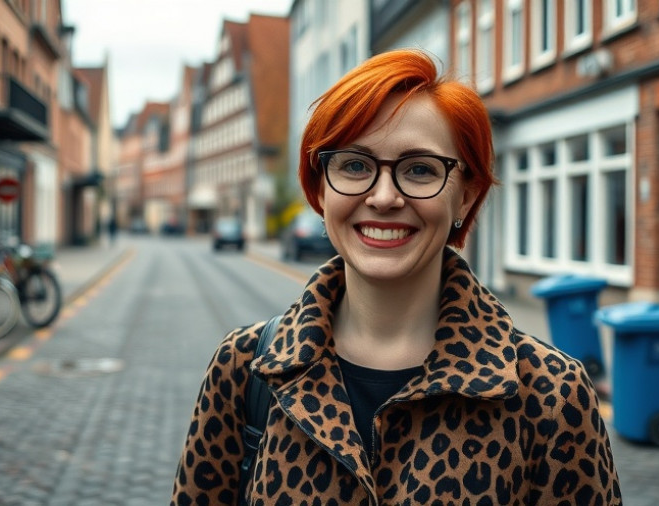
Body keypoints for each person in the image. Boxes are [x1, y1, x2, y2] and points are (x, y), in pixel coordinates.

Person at [171, 49, 621, 505]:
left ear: (465, 197)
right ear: (321, 187)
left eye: (420, 169)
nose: (383, 197)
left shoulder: (550, 397)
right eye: (355, 165)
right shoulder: (245, 370)